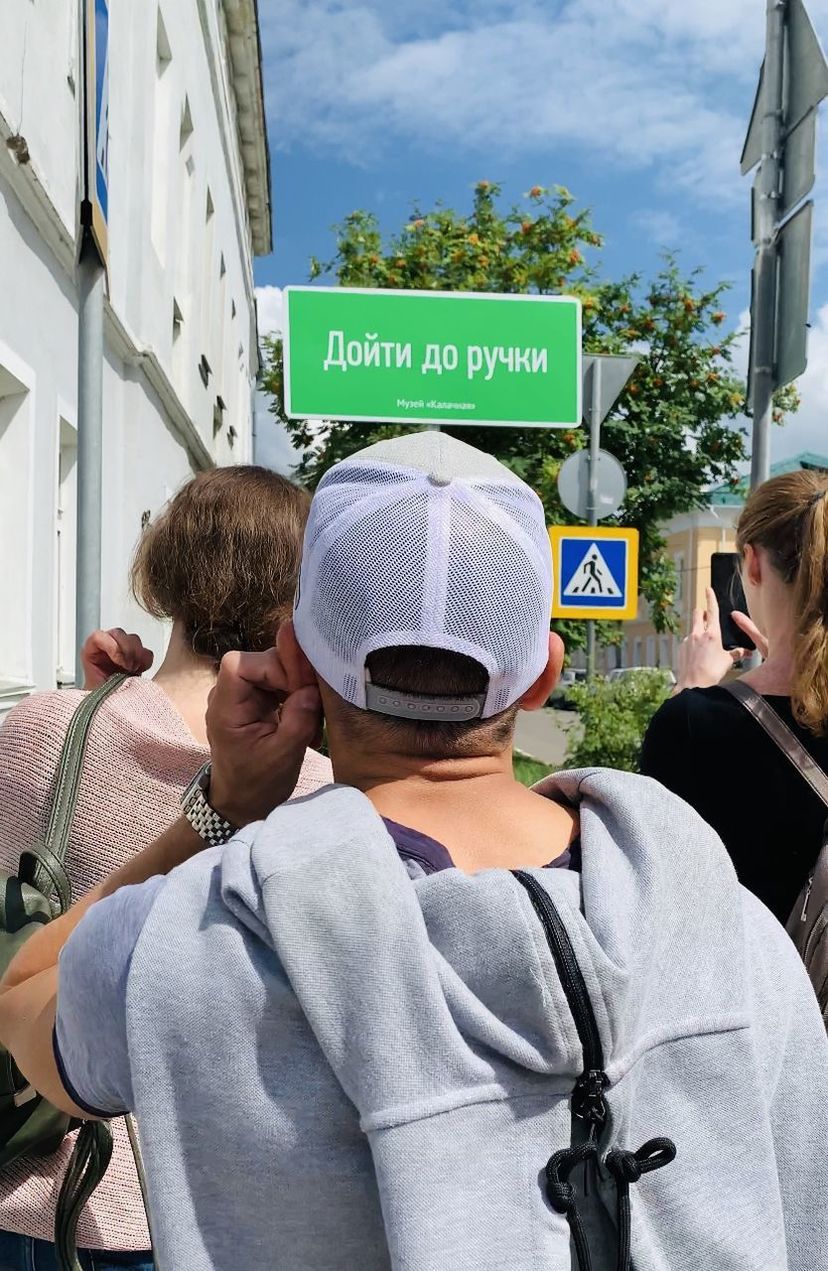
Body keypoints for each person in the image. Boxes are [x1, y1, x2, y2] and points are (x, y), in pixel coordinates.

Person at [0, 433, 826, 1271]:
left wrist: (222, 807)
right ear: (541, 675)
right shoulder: (739, 943)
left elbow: (23, 998)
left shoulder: (195, 941)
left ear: (299, 659)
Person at [0, 465, 331, 1271]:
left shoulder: (44, 728)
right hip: (214, 1213)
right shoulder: (318, 794)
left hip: (27, 1192)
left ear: (166, 571)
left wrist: (90, 711)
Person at [641, 470, 828, 924]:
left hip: (756, 993)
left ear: (753, 563)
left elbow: (652, 884)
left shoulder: (695, 724)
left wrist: (692, 692)